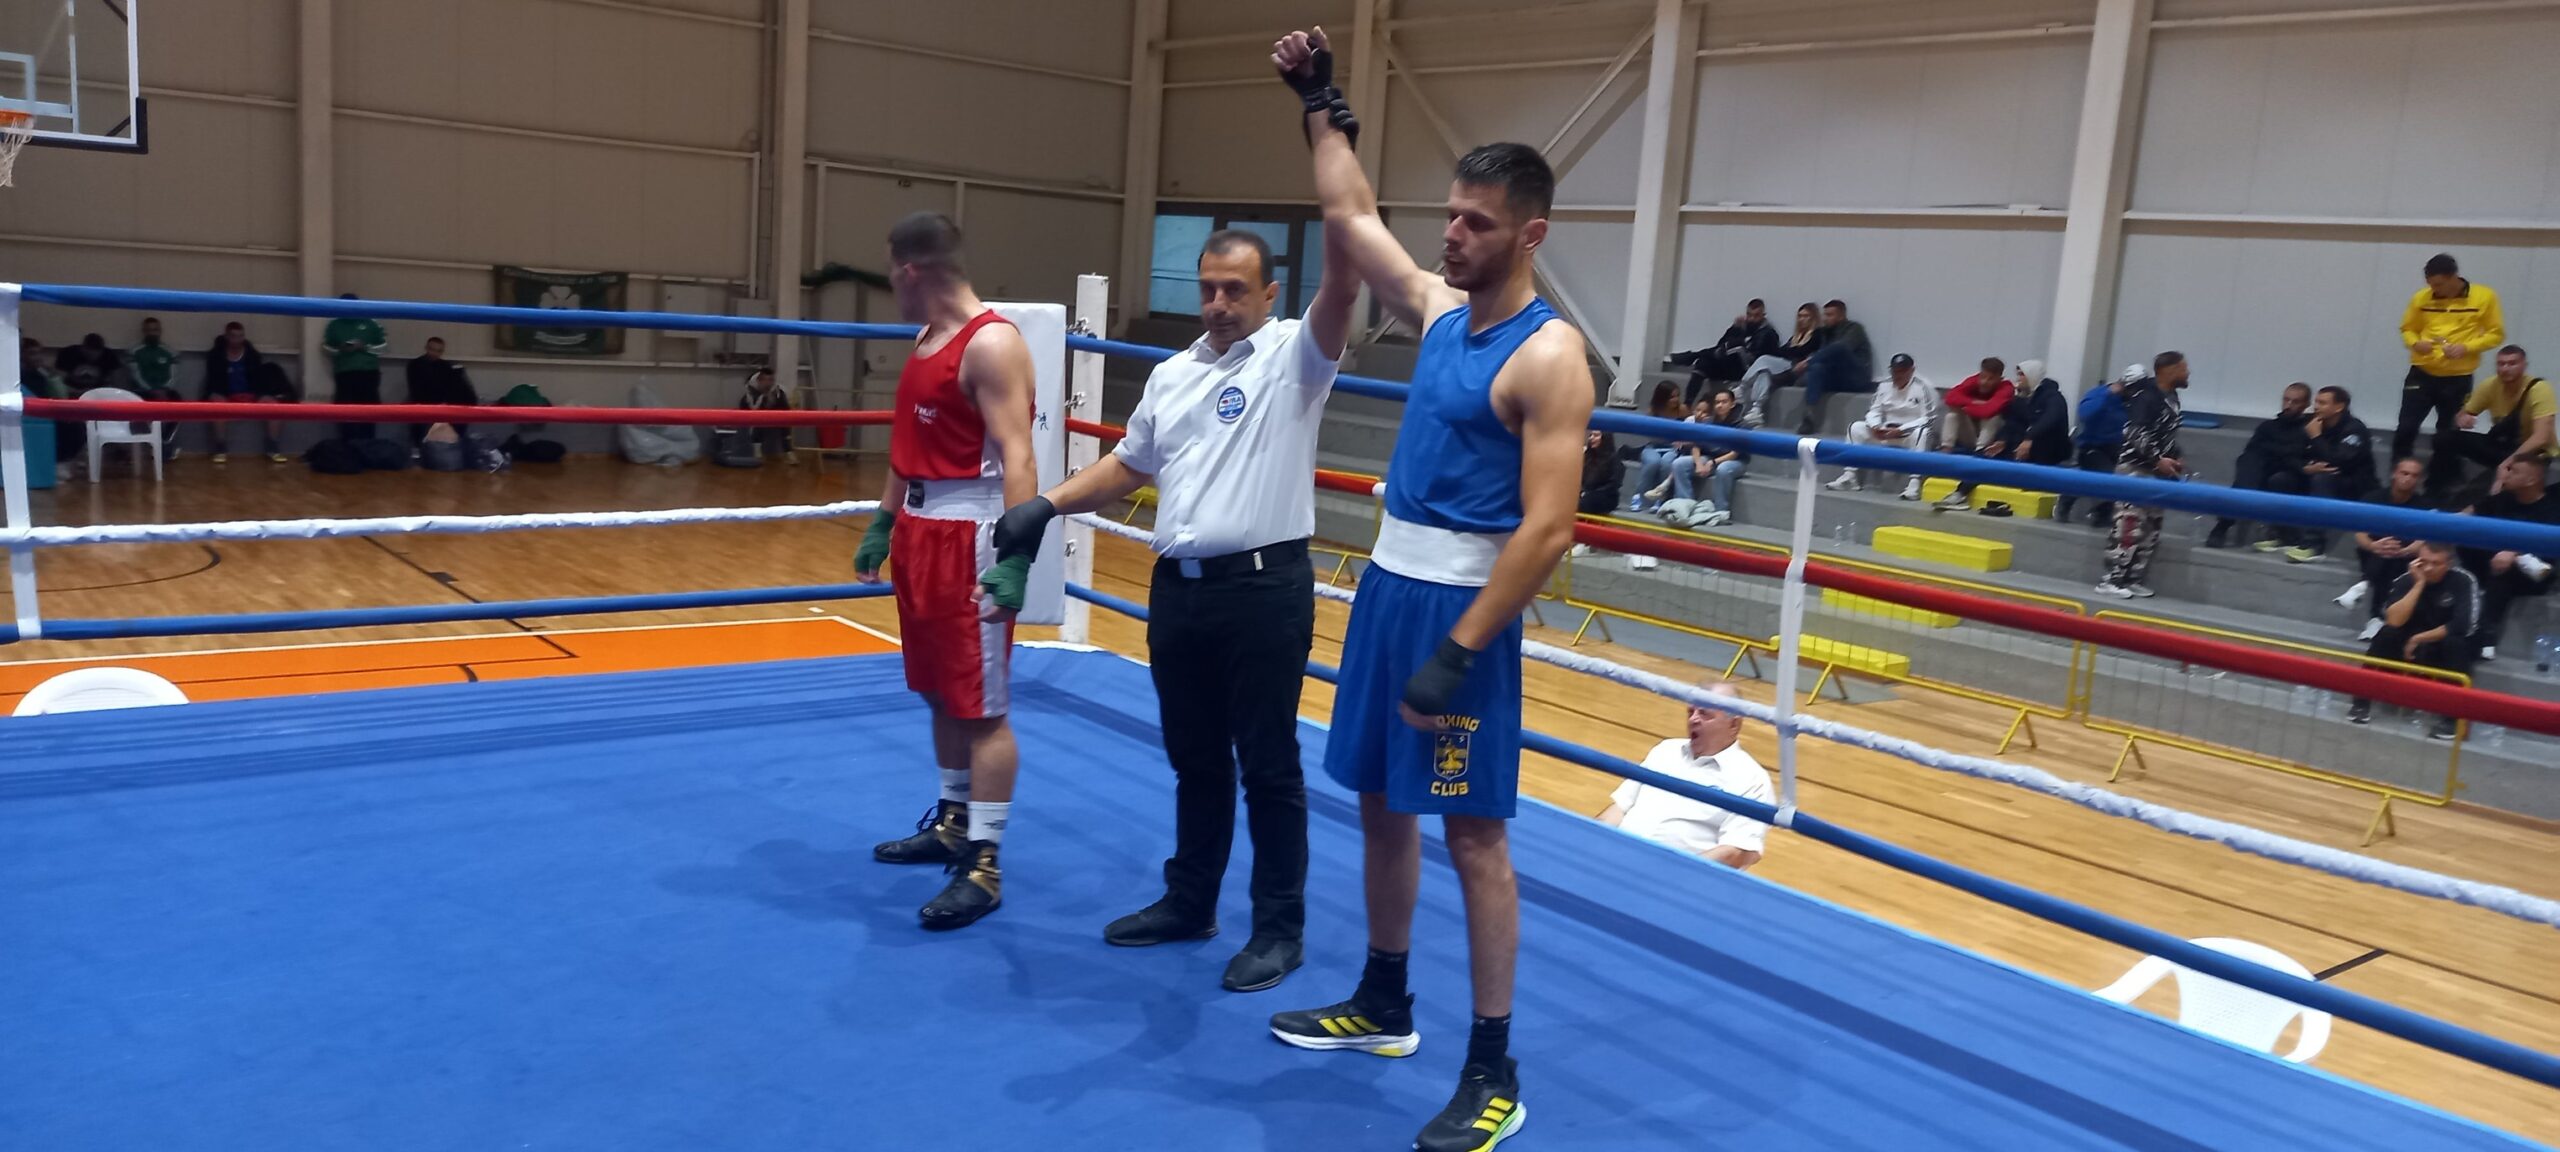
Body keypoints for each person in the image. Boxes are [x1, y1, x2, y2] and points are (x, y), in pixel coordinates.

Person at [1268, 28, 1592, 1152]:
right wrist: (1321, 104)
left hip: (1462, 616)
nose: (1451, 236)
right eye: (1450, 217)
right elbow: (1351, 212)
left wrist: (1460, 650)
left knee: (1474, 837)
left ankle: (1494, 1069)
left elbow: (1549, 527)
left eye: (1476, 224)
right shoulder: (1443, 312)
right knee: (1376, 800)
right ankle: (1384, 999)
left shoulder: (1549, 356)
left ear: (1530, 234)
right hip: (1386, 590)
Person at [985, 225, 1353, 992]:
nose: (1218, 304)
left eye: (1236, 290)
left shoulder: (1296, 356)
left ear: (1270, 294)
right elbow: (1129, 464)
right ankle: (1191, 903)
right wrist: (1046, 505)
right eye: (1208, 289)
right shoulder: (1174, 373)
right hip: (1179, 592)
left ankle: (1279, 930)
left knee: (1269, 765)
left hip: (1263, 590)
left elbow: (1343, 289)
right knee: (1195, 758)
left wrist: (1343, 207)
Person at [854, 212, 1039, 932]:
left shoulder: (991, 343)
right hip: (920, 532)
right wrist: (883, 521)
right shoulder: (926, 337)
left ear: (910, 270)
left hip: (972, 538)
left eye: (891, 274)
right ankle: (954, 821)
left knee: (982, 708)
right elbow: (907, 446)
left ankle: (985, 863)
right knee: (937, 690)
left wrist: (1016, 560)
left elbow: (1019, 457)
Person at [1597, 683, 1772, 869]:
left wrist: (1673, 872)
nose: (1693, 719)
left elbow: (1736, 852)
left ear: (1734, 724)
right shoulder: (1665, 750)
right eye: (1690, 712)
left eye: (1704, 714)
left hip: (1674, 879)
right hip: (1613, 862)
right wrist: (1588, 840)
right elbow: (1621, 807)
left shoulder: (1752, 779)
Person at [2348, 540, 2477, 741]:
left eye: (2436, 563)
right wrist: (2418, 585)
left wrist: (2419, 638)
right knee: (2386, 633)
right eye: (2424, 562)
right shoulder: (2406, 580)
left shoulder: (2463, 581)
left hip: (2439, 650)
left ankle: (2452, 719)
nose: (2428, 568)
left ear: (2449, 563)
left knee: (2456, 642)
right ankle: (2360, 704)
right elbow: (2393, 620)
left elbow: (2462, 624)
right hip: (2406, 652)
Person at [2397, 254, 2503, 492]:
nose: (2434, 290)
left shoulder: (2484, 296)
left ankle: (2437, 485)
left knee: (2447, 433)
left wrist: (2467, 347)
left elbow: (2496, 334)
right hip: (2421, 372)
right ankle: (2397, 477)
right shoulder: (2421, 298)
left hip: (2457, 378)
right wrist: (2415, 343)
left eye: (2439, 284)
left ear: (2454, 277)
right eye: (2430, 284)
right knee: (2406, 427)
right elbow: (2407, 329)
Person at [2098, 352, 2188, 599]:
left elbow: (2165, 435)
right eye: (2184, 368)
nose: (2188, 372)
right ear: (2170, 370)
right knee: (2128, 525)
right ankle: (2112, 578)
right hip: (2135, 470)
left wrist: (2175, 456)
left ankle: (2132, 577)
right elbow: (2134, 432)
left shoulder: (2172, 398)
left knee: (2151, 528)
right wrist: (2158, 459)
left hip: (2156, 474)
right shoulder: (2146, 396)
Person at [2460, 455, 2557, 660]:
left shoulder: (2552, 509)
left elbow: (2545, 551)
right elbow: (2470, 512)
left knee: (2502, 575)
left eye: (2514, 471)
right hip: (2494, 563)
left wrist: (2514, 553)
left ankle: (2486, 636)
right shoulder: (2504, 498)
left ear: (2531, 479)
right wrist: (2437, 522)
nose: (2506, 475)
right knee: (2464, 539)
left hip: (2535, 573)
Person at [1941, 359, 2070, 511]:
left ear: (2032, 375)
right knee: (1985, 457)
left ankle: (1967, 493)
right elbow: (2013, 424)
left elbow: (2050, 420)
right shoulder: (2021, 400)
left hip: (2046, 451)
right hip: (2020, 448)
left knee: (2003, 462)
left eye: (2021, 375)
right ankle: (1960, 493)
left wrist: (2029, 438)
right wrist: (2002, 440)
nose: (2018, 378)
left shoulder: (2053, 398)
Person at [2204, 383, 2314, 551]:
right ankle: (2230, 515)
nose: (2288, 405)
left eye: (2295, 401)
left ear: (2306, 404)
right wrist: (2285, 452)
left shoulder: (2309, 429)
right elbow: (2254, 451)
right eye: (2286, 400)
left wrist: (2278, 451)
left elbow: (2299, 455)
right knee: (2250, 462)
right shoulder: (2268, 427)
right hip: (2263, 470)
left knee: (2262, 474)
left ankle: (2223, 525)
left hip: (2290, 475)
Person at [2338, 457, 2433, 642]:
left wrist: (2407, 550)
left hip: (2407, 556)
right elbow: (2360, 533)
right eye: (2404, 473)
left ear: (2419, 480)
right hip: (2373, 551)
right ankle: (2377, 618)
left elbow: (2426, 538)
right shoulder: (2373, 498)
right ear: (2394, 474)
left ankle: (2364, 586)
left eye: (2414, 475)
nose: (2408, 478)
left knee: (2391, 553)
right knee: (2385, 551)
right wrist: (2374, 545)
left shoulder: (2425, 505)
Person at [2446, 346, 2554, 497]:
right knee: (2444, 438)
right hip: (2502, 445)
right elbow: (2462, 414)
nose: (2505, 368)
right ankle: (2441, 487)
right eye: (2501, 364)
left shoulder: (2540, 389)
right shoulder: (2490, 385)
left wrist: (2508, 462)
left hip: (2533, 452)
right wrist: (2462, 419)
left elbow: (2541, 437)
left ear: (2524, 365)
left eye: (2512, 363)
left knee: (2490, 493)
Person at [1825, 352, 1936, 498]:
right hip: (1885, 432)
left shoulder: (1923, 387)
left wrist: (1901, 429)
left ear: (1911, 370)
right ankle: (1849, 477)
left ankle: (1914, 484)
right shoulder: (1884, 385)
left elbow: (1928, 419)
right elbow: (1874, 411)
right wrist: (1875, 426)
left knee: (1922, 432)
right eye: (1894, 371)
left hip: (1908, 434)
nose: (1897, 376)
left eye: (1902, 371)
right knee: (1855, 428)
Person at [2288, 385, 2377, 560]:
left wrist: (2316, 437)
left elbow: (2340, 461)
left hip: (2354, 486)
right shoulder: (2312, 423)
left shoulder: (2355, 429)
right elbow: (2291, 454)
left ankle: (2313, 544)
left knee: (2323, 479)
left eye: (2322, 403)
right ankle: (2284, 535)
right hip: (2317, 477)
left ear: (2339, 407)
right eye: (2316, 402)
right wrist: (2304, 467)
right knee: (2283, 479)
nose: (2316, 406)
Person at [200, 322, 293, 464]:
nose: (237, 340)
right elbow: (214, 381)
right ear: (226, 336)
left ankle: (272, 446)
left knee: (274, 406)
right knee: (217, 404)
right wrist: (216, 394)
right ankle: (220, 447)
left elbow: (259, 379)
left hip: (251, 395)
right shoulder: (215, 356)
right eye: (233, 336)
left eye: (240, 336)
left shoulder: (253, 355)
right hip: (226, 395)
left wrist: (256, 394)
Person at [2058, 366, 2132, 527]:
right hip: (2092, 446)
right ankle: (2097, 511)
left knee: (2096, 478)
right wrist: (2107, 395)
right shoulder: (2098, 394)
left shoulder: (2131, 401)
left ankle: (2099, 511)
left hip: (2117, 448)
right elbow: (2085, 414)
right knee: (2105, 476)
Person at [1669, 298, 1778, 405]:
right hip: (1728, 365)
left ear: (1763, 315)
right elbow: (1721, 344)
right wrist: (1735, 328)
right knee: (1703, 363)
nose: (1752, 319)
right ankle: (1688, 404)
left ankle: (1692, 356)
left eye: (1756, 315)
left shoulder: (1768, 333)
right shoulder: (1743, 327)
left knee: (1733, 347)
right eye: (1749, 315)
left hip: (1745, 371)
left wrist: (1738, 345)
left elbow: (1758, 358)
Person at [1734, 302, 1824, 429]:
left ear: (1813, 318)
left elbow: (1801, 351)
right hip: (1786, 365)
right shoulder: (1796, 337)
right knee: (1764, 373)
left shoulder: (1817, 335)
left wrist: (1790, 351)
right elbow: (1781, 351)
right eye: (1800, 316)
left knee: (1764, 359)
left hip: (1796, 368)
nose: (1802, 319)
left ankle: (1742, 388)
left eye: (1806, 316)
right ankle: (1756, 410)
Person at [1796, 299, 1873, 437]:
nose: (1825, 319)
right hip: (1838, 377)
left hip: (1856, 377)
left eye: (1829, 315)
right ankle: (1808, 416)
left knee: (1838, 348)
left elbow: (1841, 349)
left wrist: (1809, 362)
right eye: (1825, 315)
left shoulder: (1854, 328)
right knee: (1817, 368)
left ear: (1841, 316)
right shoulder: (1825, 333)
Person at [322, 294, 388, 442]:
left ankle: (368, 445)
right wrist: (340, 349)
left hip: (368, 373)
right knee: (345, 412)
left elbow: (384, 347)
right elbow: (326, 348)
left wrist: (365, 347)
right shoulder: (334, 325)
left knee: (369, 411)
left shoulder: (371, 322)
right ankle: (347, 447)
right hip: (344, 374)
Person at [404, 337, 480, 445]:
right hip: (423, 406)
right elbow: (417, 390)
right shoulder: (415, 365)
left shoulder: (445, 366)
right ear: (426, 348)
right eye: (432, 349)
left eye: (438, 351)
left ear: (442, 352)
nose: (434, 353)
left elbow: (454, 387)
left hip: (441, 406)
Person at [1626, 380, 1686, 512]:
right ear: (1662, 398)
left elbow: (1689, 428)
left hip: (1672, 448)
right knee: (1652, 462)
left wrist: (1681, 441)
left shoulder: (1682, 410)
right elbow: (1649, 433)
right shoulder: (1653, 410)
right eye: (1672, 397)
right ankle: (1639, 497)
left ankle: (1661, 498)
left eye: (1677, 396)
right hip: (1653, 446)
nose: (1676, 399)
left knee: (1667, 463)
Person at [735, 368, 795, 462]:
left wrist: (774, 404)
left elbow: (786, 409)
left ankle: (789, 452)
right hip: (756, 417)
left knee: (785, 424)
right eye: (765, 380)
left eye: (771, 380)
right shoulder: (751, 390)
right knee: (757, 422)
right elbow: (745, 408)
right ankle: (757, 452)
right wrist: (762, 403)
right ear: (759, 380)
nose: (768, 383)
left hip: (775, 417)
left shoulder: (778, 392)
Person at [128, 317, 181, 401]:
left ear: (160, 331)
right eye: (148, 330)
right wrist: (152, 390)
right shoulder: (133, 352)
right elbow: (136, 375)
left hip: (166, 391)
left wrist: (164, 389)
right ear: (144, 331)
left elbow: (174, 375)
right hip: (142, 391)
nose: (152, 333)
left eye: (155, 330)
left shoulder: (171, 352)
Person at [54, 333, 121, 393]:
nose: (92, 357)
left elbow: (117, 383)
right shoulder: (68, 353)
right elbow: (58, 382)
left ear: (102, 351)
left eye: (95, 354)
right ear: (82, 348)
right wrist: (74, 391)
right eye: (88, 354)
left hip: (99, 393)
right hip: (71, 391)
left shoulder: (109, 356)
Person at [1578, 429, 1622, 515]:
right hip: (1585, 492)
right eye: (1590, 435)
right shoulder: (1587, 456)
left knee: (1584, 502)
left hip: (1605, 496)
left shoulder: (1614, 459)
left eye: (1596, 435)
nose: (1591, 438)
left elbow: (1613, 484)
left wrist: (1589, 493)